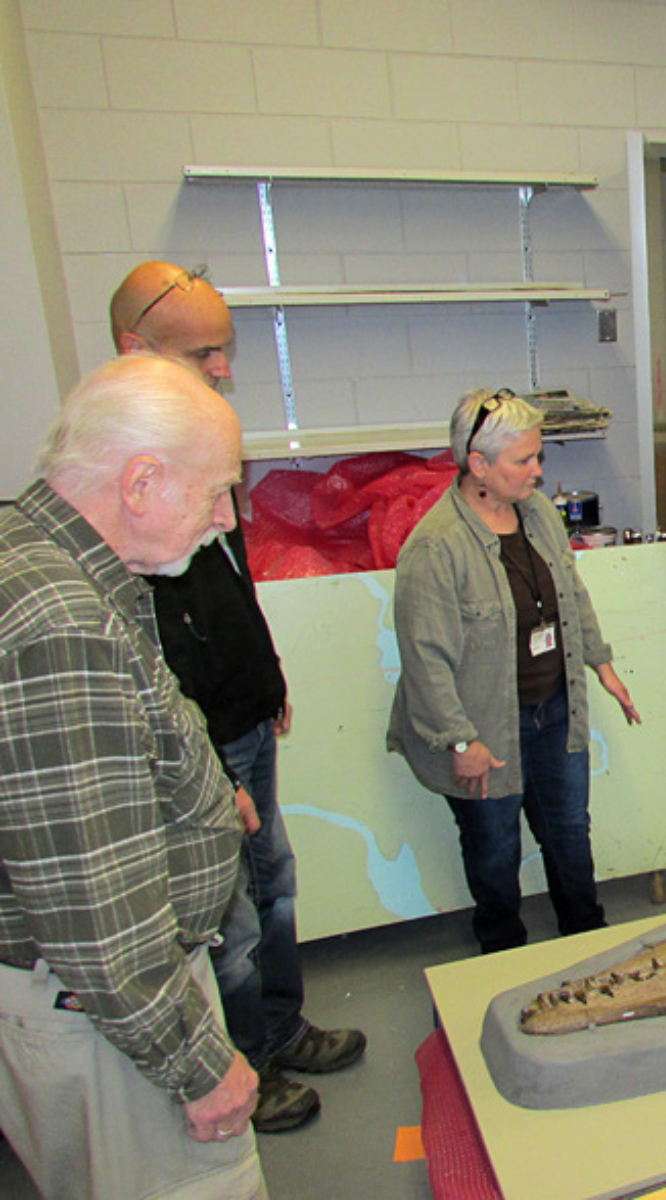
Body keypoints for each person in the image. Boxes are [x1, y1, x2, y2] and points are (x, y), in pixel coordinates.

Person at [111, 260, 367, 1134]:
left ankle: (281, 1026)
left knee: (274, 888)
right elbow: (148, 644)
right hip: (198, 746)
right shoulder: (128, 480)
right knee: (227, 917)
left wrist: (270, 678)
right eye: (206, 353)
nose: (224, 369)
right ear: (133, 350)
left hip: (246, 715)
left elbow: (226, 582)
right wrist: (209, 769)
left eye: (226, 352)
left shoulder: (194, 451)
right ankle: (245, 1065)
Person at [0, 356, 265, 1199]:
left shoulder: (46, 557)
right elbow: (95, 915)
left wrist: (204, 795)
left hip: (96, 1006)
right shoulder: (63, 625)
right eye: (218, 491)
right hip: (113, 1023)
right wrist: (198, 1066)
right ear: (141, 480)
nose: (225, 518)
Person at [388, 389, 641, 952]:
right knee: (493, 847)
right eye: (524, 460)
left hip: (553, 710)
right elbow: (424, 658)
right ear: (478, 465)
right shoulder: (436, 547)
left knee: (568, 831)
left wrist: (601, 663)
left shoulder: (540, 514)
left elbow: (570, 592)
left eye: (539, 456)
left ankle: (585, 935)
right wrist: (459, 742)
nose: (538, 470)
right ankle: (502, 953)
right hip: (482, 729)